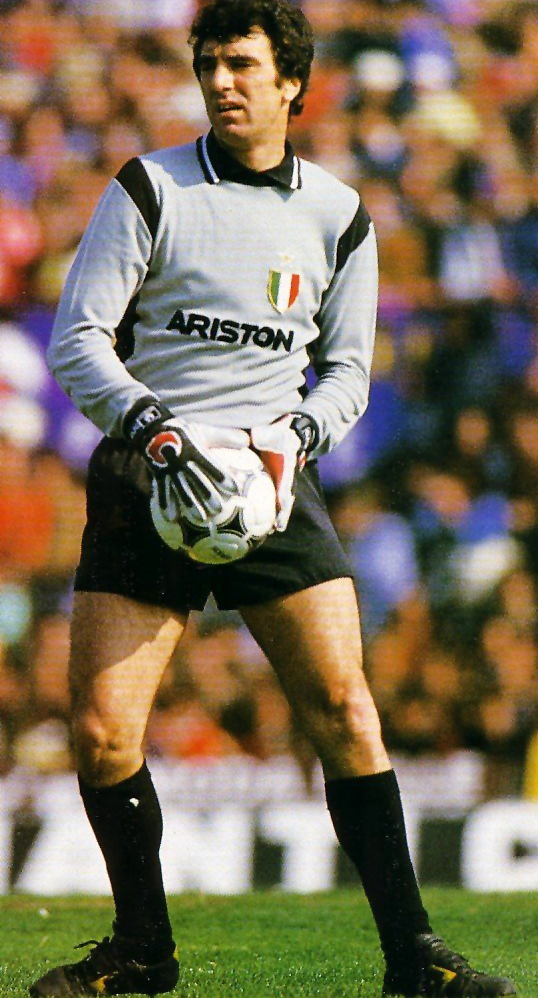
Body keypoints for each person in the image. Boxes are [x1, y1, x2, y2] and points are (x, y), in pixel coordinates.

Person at [30, 2, 516, 996]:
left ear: (292, 81)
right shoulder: (148, 187)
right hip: (149, 470)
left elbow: (347, 373)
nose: (222, 81)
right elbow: (78, 338)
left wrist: (295, 437)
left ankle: (414, 957)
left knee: (345, 707)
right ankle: (142, 951)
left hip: (272, 484)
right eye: (210, 63)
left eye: (243, 64)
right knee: (103, 732)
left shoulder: (339, 214)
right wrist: (154, 427)